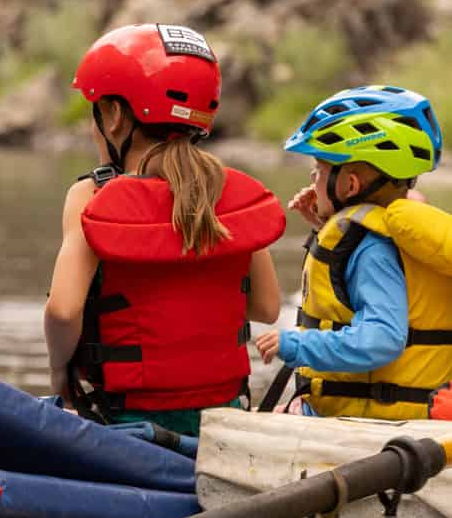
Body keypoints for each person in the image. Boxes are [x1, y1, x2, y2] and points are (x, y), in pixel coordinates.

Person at [44, 22, 285, 437]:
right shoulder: (232, 195)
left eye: (96, 111)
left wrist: (58, 374)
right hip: (223, 418)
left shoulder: (91, 197)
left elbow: (63, 312)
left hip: (124, 421)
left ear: (114, 117)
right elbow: (266, 308)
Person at [254, 84, 452, 417]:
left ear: (350, 185)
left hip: (373, 421)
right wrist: (327, 231)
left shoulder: (372, 250)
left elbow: (383, 339)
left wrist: (296, 344)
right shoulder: (378, 235)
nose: (313, 181)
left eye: (319, 170)